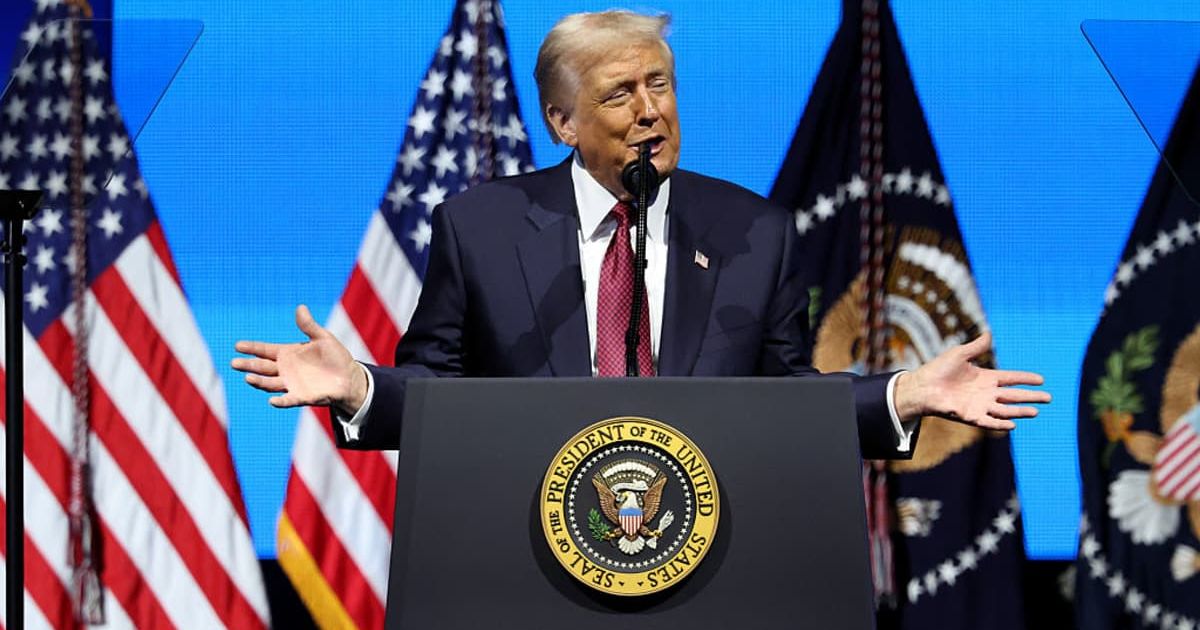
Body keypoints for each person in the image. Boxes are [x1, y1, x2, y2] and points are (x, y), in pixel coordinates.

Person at [232, 11, 1049, 458]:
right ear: (561, 121)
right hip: (526, 565)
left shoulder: (752, 231)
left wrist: (901, 393)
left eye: (660, 84)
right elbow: (442, 397)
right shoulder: (480, 227)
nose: (651, 109)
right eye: (621, 93)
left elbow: (788, 399)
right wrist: (360, 388)